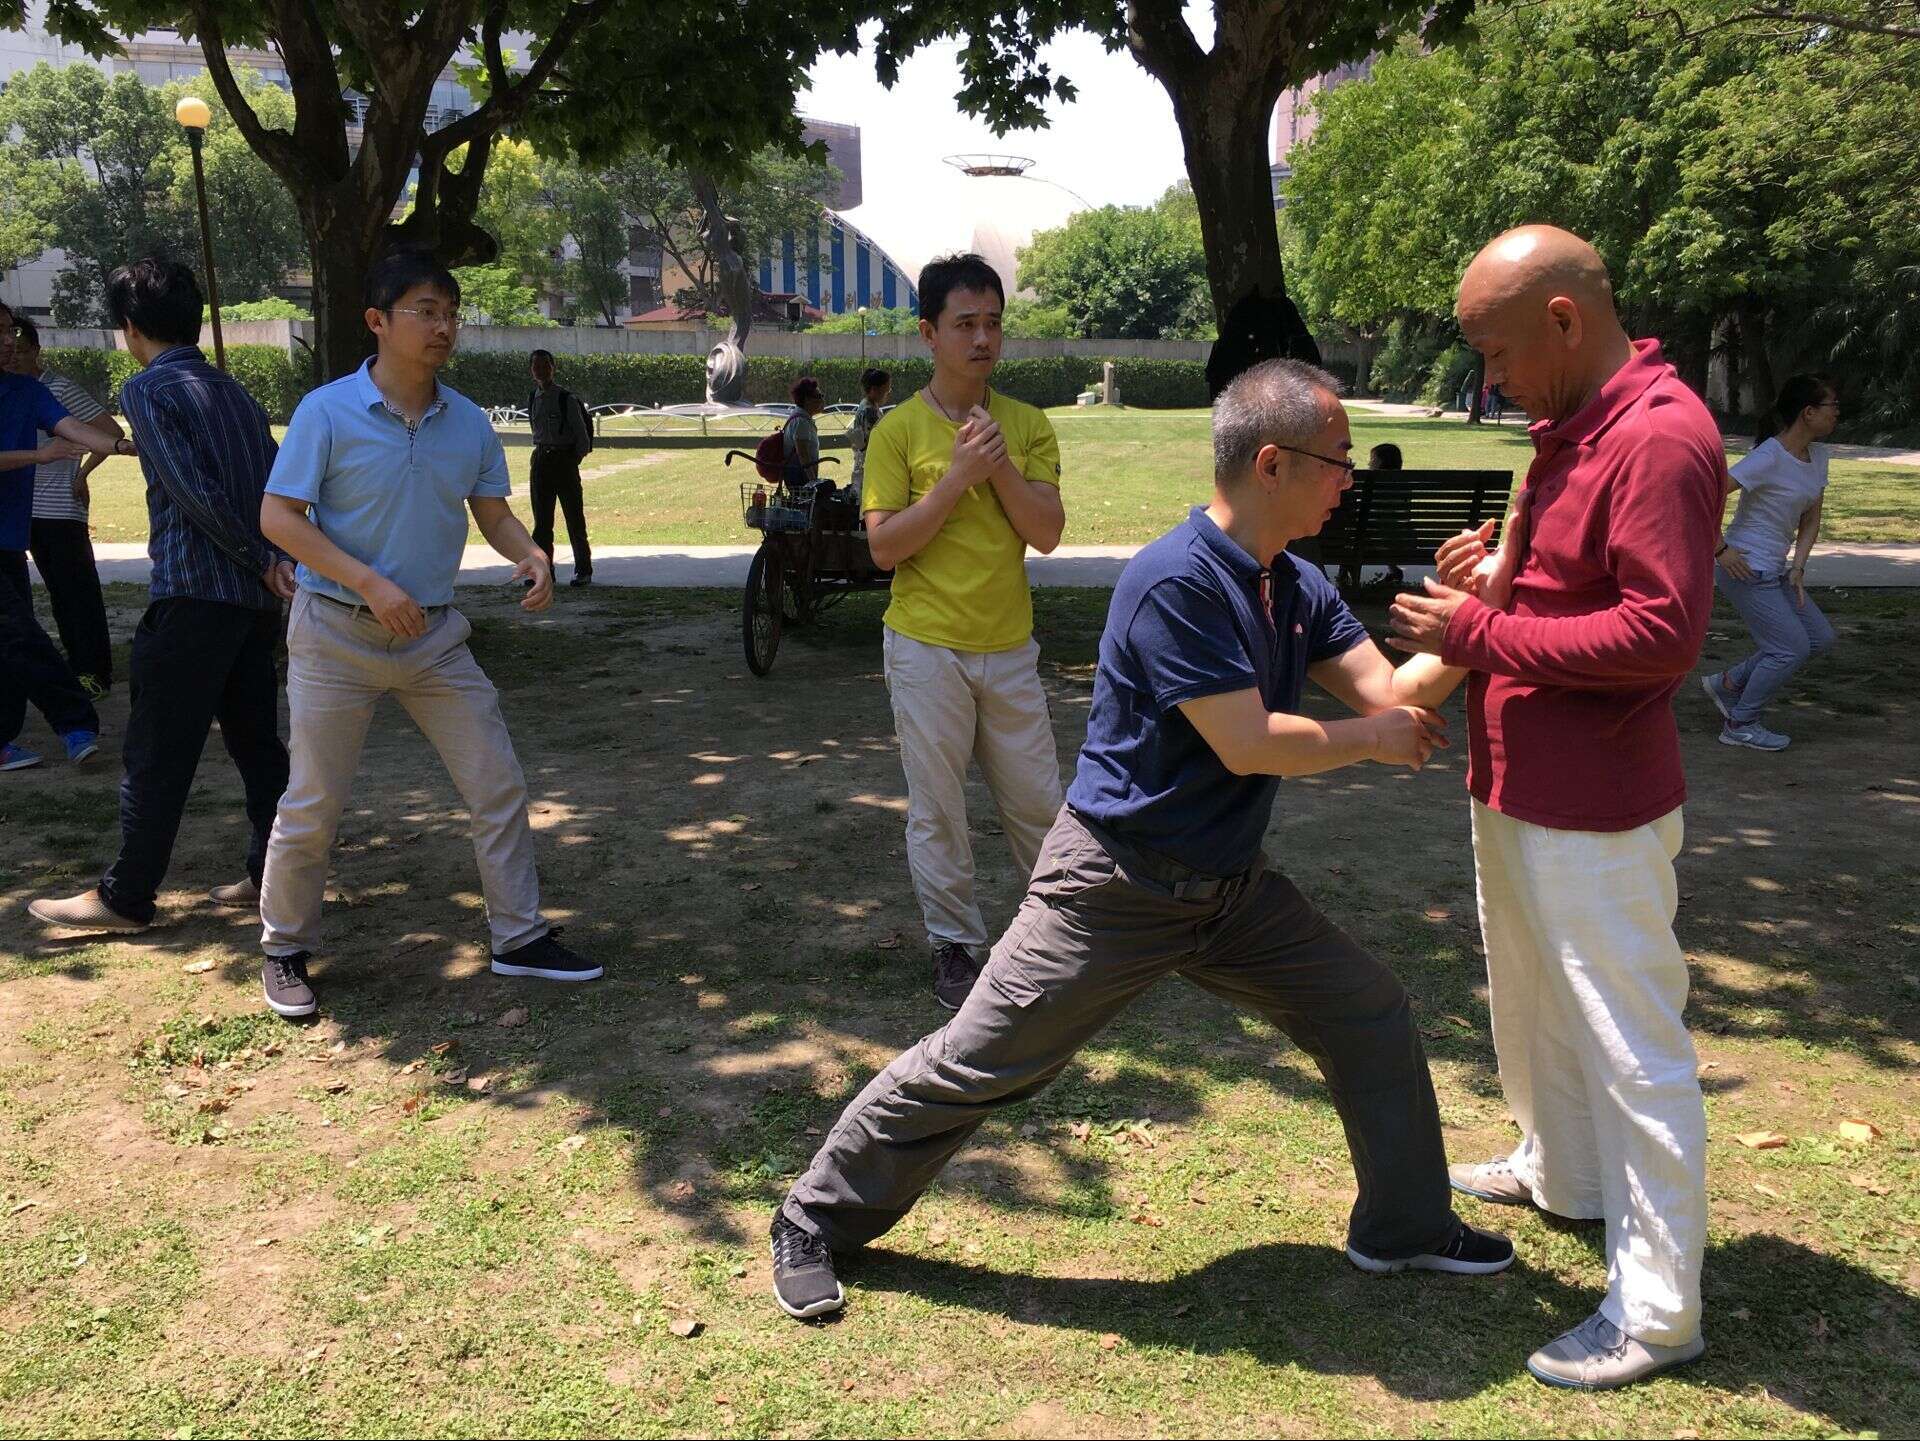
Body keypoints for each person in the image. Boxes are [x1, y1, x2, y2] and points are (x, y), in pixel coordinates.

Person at [768, 357, 1515, 1324]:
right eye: (1338, 460)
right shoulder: (1176, 581)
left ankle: (1404, 1225)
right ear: (1273, 464)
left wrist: (1477, 616)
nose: (1349, 480)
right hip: (1113, 888)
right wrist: (1370, 742)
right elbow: (1249, 741)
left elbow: (1393, 691)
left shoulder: (1293, 584)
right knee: (983, 1060)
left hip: (1228, 893)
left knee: (1368, 1008)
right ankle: (812, 1217)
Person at [1390, 225, 1722, 1390]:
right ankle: (1564, 1174)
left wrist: (1481, 629)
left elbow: (1661, 633)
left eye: (1497, 352)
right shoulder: (1573, 429)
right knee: (1535, 1004)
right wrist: (1498, 577)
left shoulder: (1660, 436)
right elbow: (1573, 593)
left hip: (1598, 807)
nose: (1490, 379)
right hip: (1520, 782)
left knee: (1633, 1047)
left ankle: (1658, 1311)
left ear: (1566, 322)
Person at [255, 250, 599, 1021]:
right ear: (377, 321)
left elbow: (493, 513)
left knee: (496, 781)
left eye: (451, 314)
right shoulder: (325, 412)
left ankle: (518, 937)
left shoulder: (467, 421)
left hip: (433, 638)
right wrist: (369, 583)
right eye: (425, 311)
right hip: (335, 633)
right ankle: (284, 948)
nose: (443, 327)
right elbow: (278, 517)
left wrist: (530, 553)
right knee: (314, 800)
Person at [27, 258, 295, 936]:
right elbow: (277, 484)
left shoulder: (146, 388)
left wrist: (259, 558)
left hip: (194, 597)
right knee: (257, 746)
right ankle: (275, 875)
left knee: (157, 751)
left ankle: (125, 897)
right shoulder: (234, 391)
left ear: (129, 327)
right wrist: (274, 561)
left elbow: (189, 492)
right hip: (252, 605)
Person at [860, 253, 1068, 1011]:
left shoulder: (1027, 424)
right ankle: (955, 944)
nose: (982, 339)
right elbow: (885, 548)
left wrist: (997, 465)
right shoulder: (897, 432)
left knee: (1040, 803)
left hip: (1008, 648)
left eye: (993, 324)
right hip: (925, 647)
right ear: (929, 333)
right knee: (938, 807)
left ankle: (1062, 932)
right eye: (965, 324)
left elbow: (1046, 532)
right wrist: (954, 479)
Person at [0, 297, 128, 773]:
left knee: (10, 640)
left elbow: (74, 427)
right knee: (20, 633)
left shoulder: (26, 391)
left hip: (9, 538)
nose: (9, 341)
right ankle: (76, 724)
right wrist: (38, 456)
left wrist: (127, 447)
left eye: (10, 331)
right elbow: (50, 446)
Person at [1699, 374, 1840, 751]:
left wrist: (1798, 567)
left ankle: (1728, 683)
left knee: (1819, 638)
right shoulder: (1768, 457)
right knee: (1789, 649)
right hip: (1745, 567)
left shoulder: (1818, 457)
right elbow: (1706, 495)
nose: (1837, 413)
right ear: (1808, 412)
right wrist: (1720, 549)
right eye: (1832, 406)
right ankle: (1740, 723)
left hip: (1776, 569)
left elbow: (1811, 518)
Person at [526, 348, 594, 589]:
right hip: (540, 462)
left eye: (545, 365)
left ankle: (583, 571)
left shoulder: (566, 399)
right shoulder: (533, 397)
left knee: (574, 520)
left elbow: (582, 438)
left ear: (553, 368)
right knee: (541, 524)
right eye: (536, 366)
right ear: (531, 370)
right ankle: (544, 572)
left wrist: (570, 461)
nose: (540, 370)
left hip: (564, 462)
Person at [846, 366, 891, 510]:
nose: (888, 394)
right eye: (886, 390)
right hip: (869, 464)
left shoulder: (868, 405)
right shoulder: (869, 410)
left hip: (864, 463)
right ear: (874, 389)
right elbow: (874, 440)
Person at [783, 376, 826, 490]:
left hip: (798, 478)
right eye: (819, 396)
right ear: (807, 400)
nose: (822, 400)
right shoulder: (801, 422)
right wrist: (813, 482)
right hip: (801, 480)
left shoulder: (801, 418)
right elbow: (803, 454)